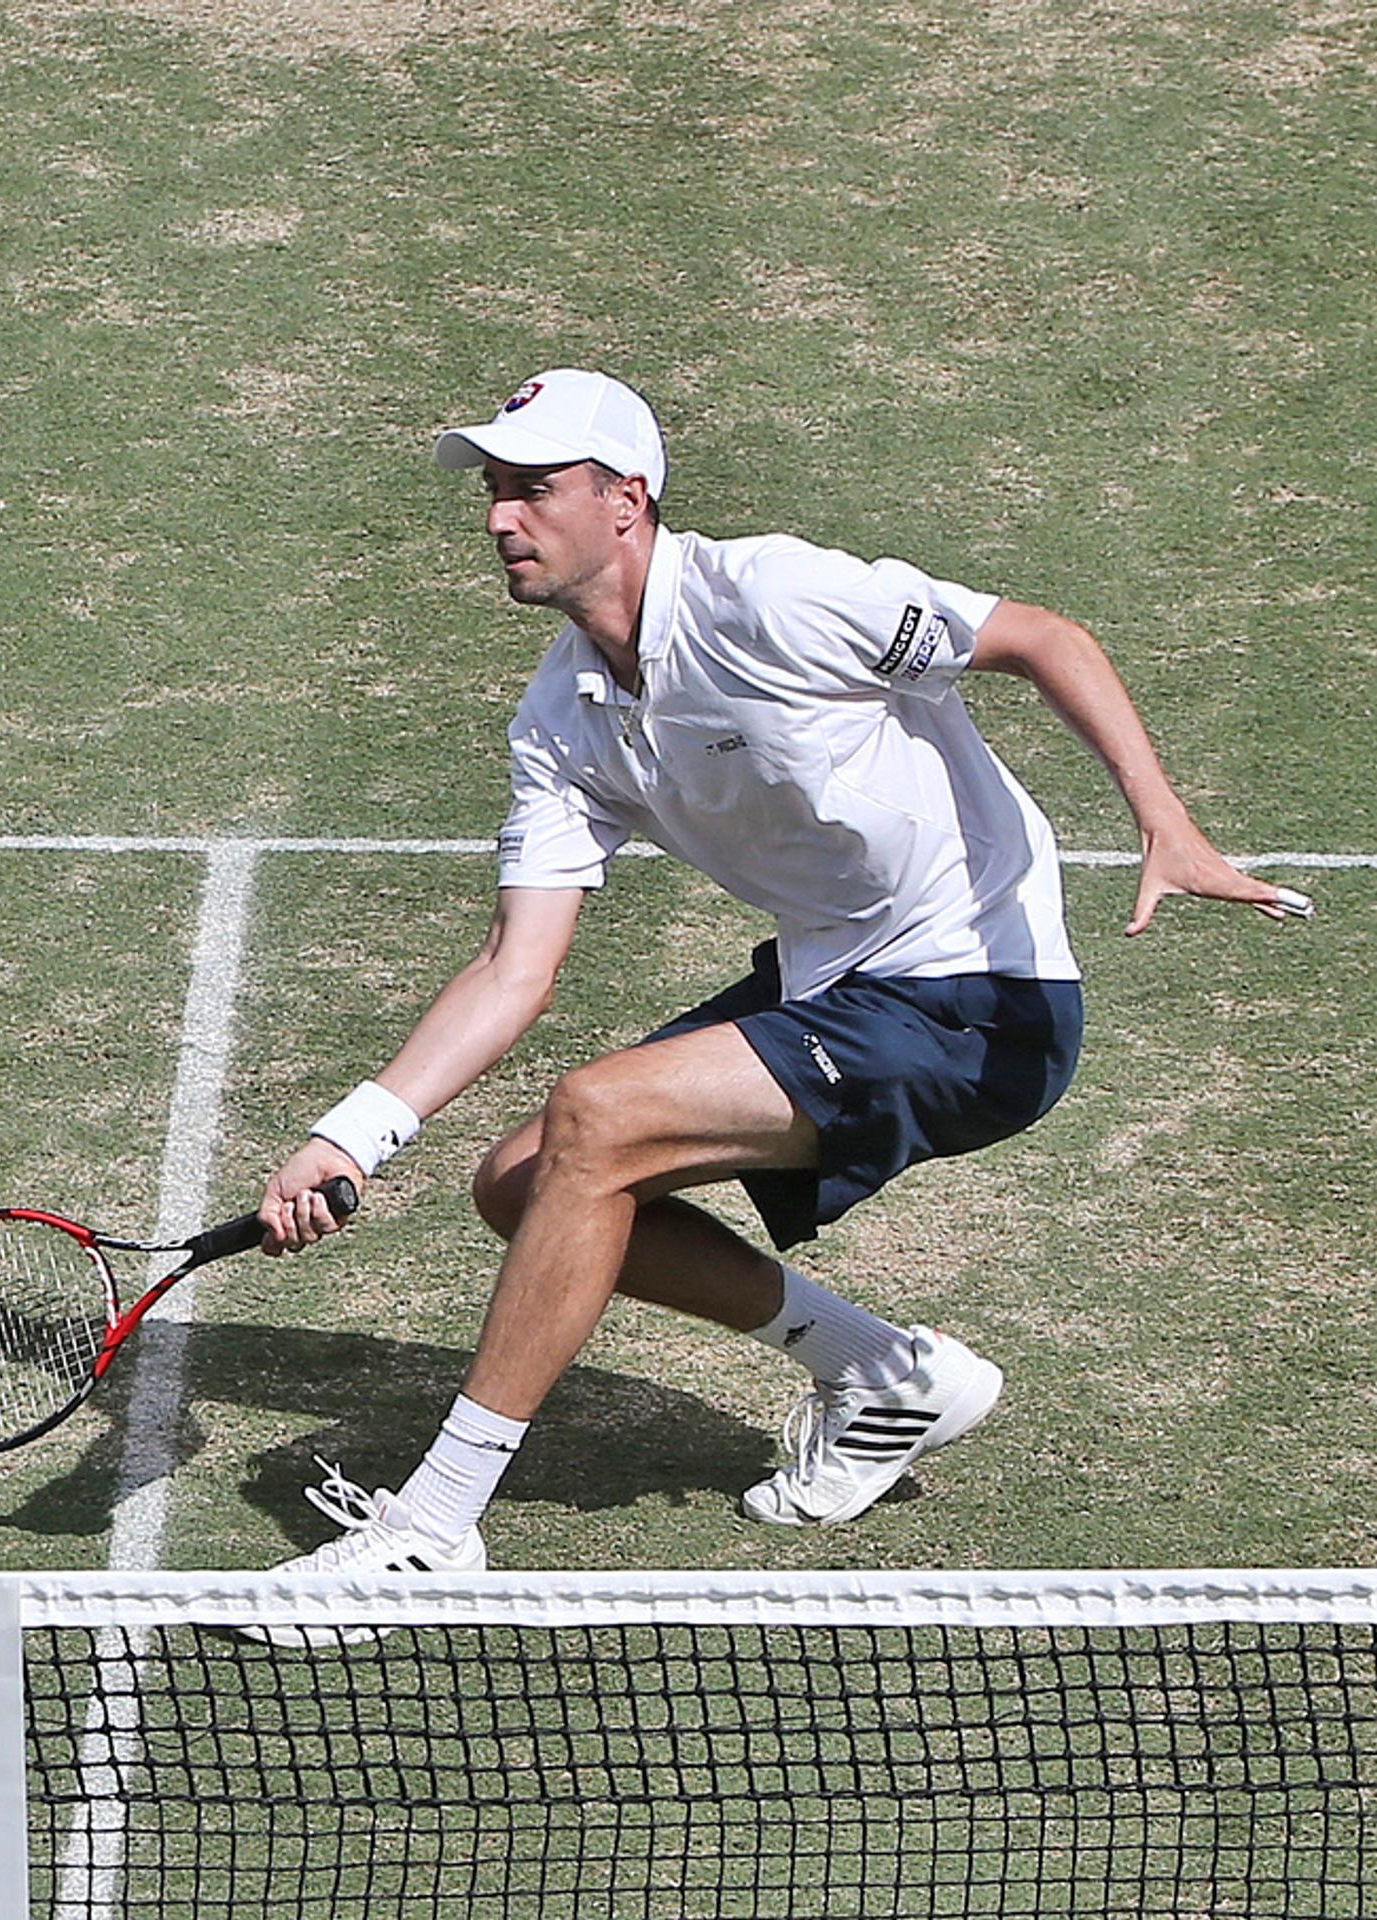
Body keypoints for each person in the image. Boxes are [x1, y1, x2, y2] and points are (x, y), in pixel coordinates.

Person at [253, 368, 1306, 1588]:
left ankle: (431, 1530)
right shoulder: (562, 718)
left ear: (626, 500)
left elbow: (1040, 638)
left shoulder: (776, 596)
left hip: (982, 996)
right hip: (837, 983)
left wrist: (1165, 822)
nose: (499, 518)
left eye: (533, 489)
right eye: (494, 491)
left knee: (599, 1118)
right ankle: (883, 1374)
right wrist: (354, 1134)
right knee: (523, 1181)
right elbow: (512, 964)